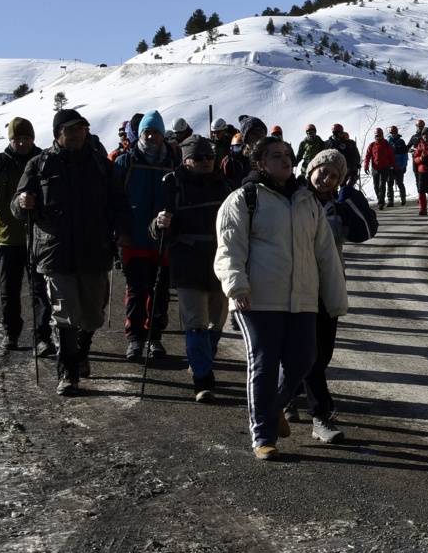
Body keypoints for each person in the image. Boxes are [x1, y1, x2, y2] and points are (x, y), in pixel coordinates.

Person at [214, 136, 346, 461]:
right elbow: (229, 247)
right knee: (264, 364)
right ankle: (264, 436)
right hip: (257, 299)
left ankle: (272, 407)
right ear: (260, 163)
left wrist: (334, 299)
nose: (285, 160)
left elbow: (326, 255)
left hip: (302, 299)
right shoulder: (244, 199)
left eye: (286, 154)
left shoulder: (307, 201)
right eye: (276, 156)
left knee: (305, 360)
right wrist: (236, 285)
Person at [14, 109, 132, 396]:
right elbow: (17, 206)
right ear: (58, 133)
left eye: (82, 129)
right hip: (56, 252)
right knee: (64, 313)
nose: (78, 134)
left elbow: (120, 202)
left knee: (93, 314)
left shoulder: (101, 166)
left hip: (95, 250)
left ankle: (81, 352)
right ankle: (67, 373)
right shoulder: (39, 165)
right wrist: (21, 202)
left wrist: (123, 228)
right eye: (71, 130)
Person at [295, 148, 377, 443]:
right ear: (311, 169)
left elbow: (366, 231)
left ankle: (288, 395)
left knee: (323, 354)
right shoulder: (293, 199)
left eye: (334, 176)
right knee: (312, 355)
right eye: (323, 171)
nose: (326, 179)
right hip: (297, 287)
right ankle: (321, 416)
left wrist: (350, 196)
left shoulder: (339, 206)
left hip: (328, 287)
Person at [152, 136, 231, 402]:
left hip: (220, 264)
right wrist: (160, 224)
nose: (205, 161)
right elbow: (158, 226)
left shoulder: (225, 185)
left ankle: (201, 361)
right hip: (188, 263)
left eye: (209, 156)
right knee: (196, 324)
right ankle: (203, 380)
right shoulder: (173, 185)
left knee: (217, 323)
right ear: (185, 160)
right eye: (198, 158)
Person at [0, 117, 52, 355]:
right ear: (10, 140)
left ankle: (42, 337)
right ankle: (11, 332)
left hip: (38, 236)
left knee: (40, 289)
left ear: (33, 138)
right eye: (17, 138)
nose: (22, 143)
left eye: (26, 138)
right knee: (9, 289)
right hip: (8, 237)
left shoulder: (44, 160)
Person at [115, 110, 177, 359]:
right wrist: (118, 230)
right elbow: (114, 199)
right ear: (140, 134)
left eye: (155, 132)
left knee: (160, 292)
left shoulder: (174, 163)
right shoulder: (125, 162)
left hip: (163, 240)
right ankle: (135, 338)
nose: (151, 136)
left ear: (162, 135)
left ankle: (154, 337)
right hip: (134, 238)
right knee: (137, 290)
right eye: (147, 132)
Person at [364, 130, 398, 208]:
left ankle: (381, 202)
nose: (378, 138)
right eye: (377, 136)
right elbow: (367, 156)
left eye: (380, 136)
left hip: (385, 167)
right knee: (376, 185)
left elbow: (392, 157)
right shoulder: (372, 145)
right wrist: (366, 166)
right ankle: (379, 198)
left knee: (381, 185)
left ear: (382, 135)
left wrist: (395, 168)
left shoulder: (387, 144)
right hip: (375, 168)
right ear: (375, 137)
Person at [386, 125, 410, 204]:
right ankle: (390, 201)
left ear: (397, 133)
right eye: (392, 133)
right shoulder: (388, 142)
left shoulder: (401, 142)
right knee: (389, 183)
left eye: (394, 133)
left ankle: (403, 198)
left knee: (400, 182)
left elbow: (405, 155)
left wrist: (404, 165)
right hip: (390, 166)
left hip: (399, 166)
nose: (393, 134)